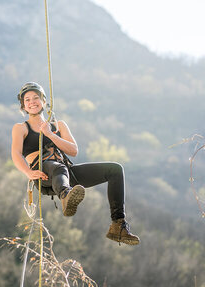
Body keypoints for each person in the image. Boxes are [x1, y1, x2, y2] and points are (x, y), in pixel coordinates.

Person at [11, 82, 140, 245]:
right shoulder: (21, 128)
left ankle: (118, 225)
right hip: (43, 174)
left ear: (44, 101)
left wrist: (50, 135)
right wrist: (28, 173)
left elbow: (73, 150)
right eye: (27, 100)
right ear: (23, 106)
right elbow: (15, 153)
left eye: (36, 98)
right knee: (57, 167)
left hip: (65, 172)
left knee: (114, 170)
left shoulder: (59, 126)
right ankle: (65, 196)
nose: (32, 102)